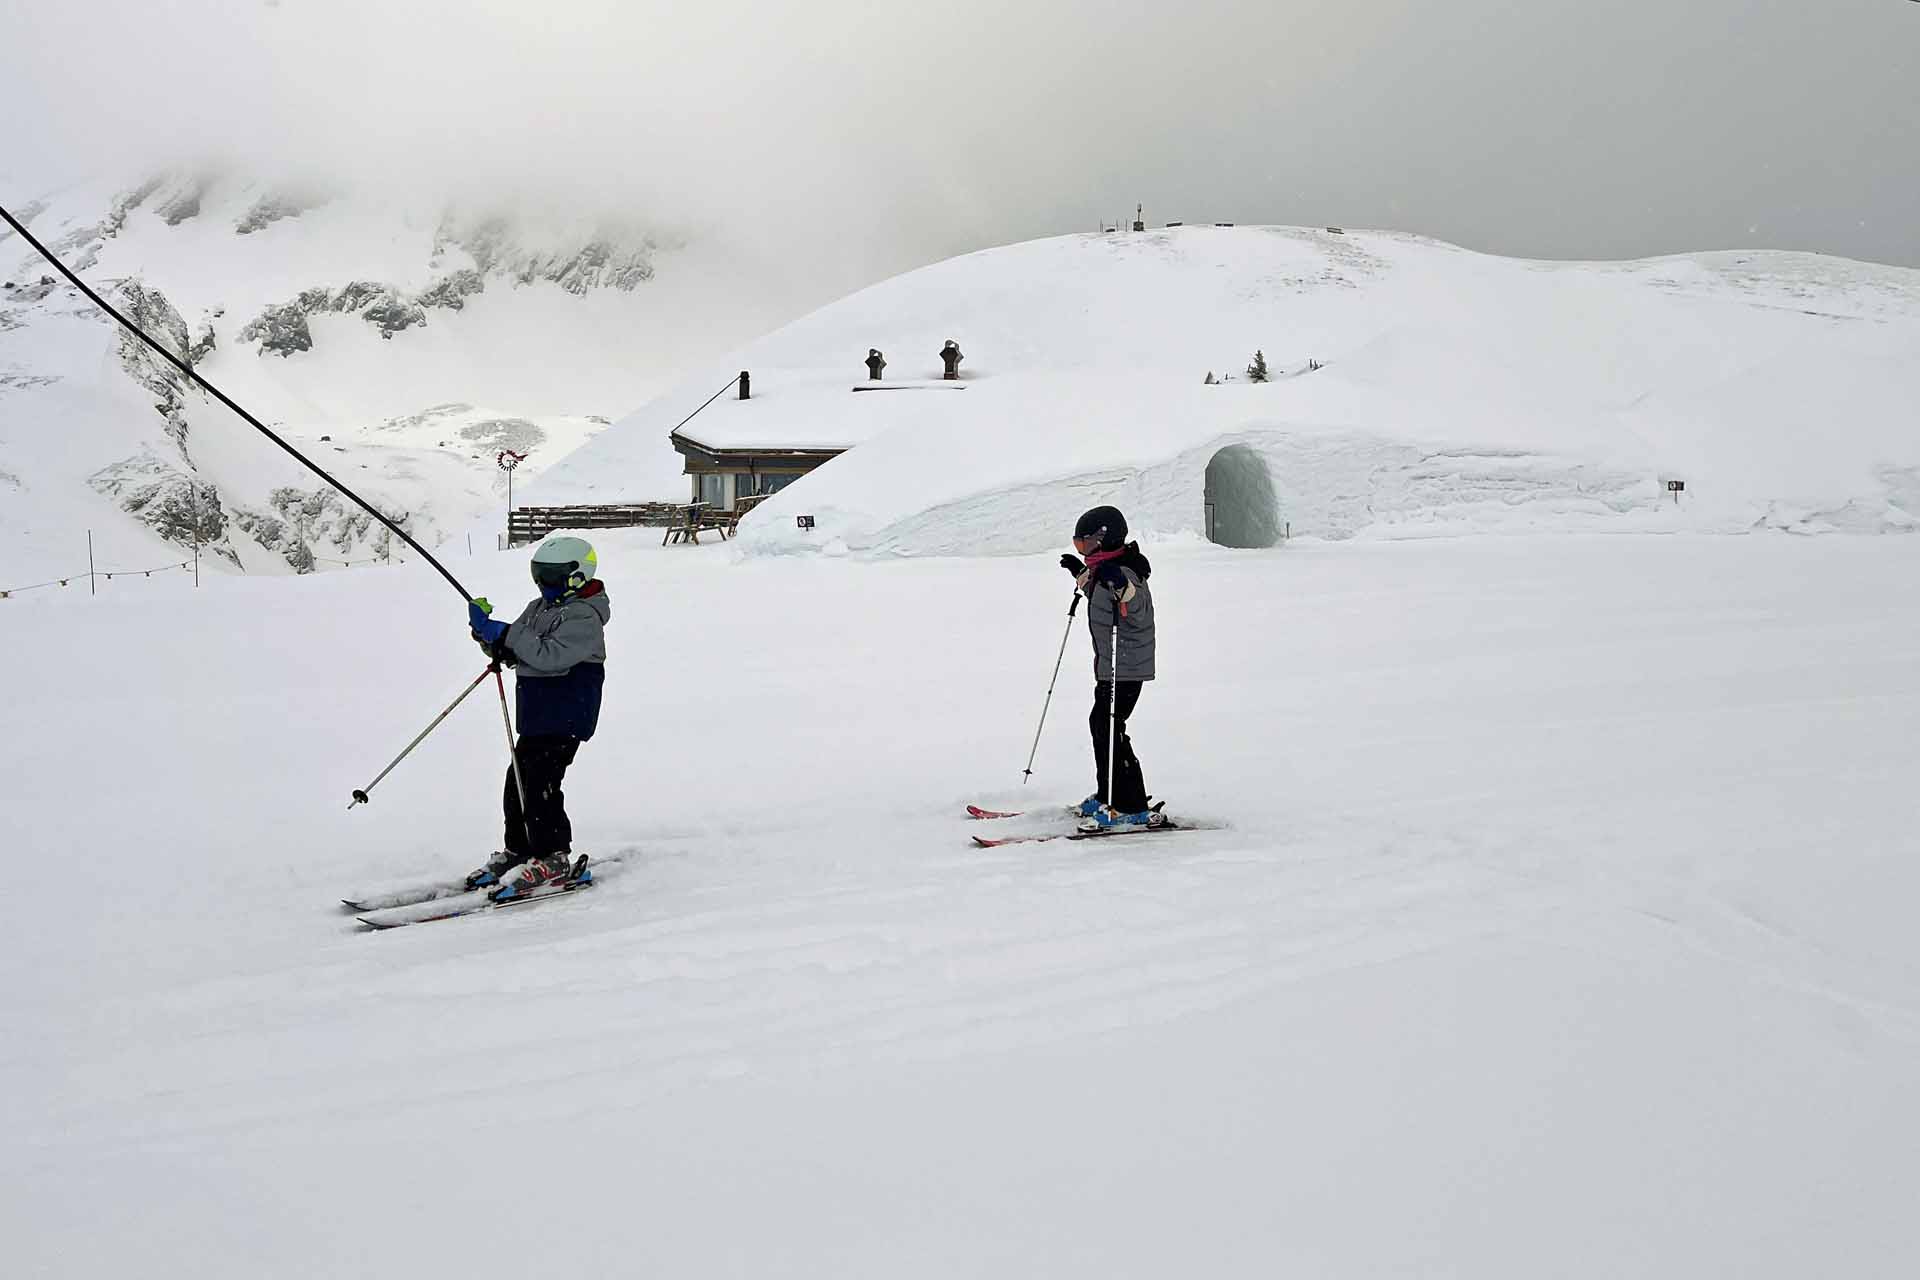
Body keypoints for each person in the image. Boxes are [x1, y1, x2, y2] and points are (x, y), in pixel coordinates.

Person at [464, 535, 611, 899]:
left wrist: (509, 635)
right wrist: (488, 635)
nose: (544, 584)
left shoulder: (585, 616)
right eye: (539, 575)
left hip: (567, 714)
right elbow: (519, 648)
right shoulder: (539, 607)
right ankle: (519, 848)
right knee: (517, 780)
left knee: (541, 783)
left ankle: (554, 856)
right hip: (538, 713)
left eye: (552, 576)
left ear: (577, 576)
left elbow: (549, 656)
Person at [1058, 505, 1160, 829]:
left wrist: (1123, 589)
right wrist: (1080, 576)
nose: (1083, 551)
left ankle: (1129, 804)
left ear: (1104, 539)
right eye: (1078, 546)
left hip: (1127, 667)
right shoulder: (1106, 569)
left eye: (1085, 545)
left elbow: (1134, 604)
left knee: (1109, 727)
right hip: (1112, 665)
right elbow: (1103, 597)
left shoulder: (1127, 572)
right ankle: (1109, 795)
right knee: (1101, 724)